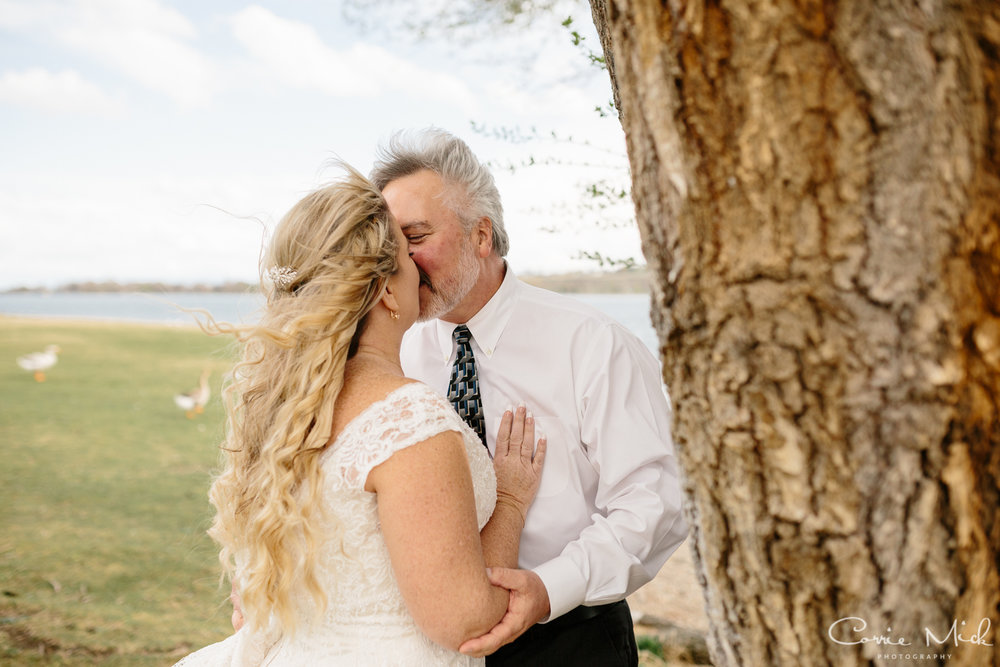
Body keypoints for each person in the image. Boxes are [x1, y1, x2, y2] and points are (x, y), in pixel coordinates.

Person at [175, 165, 546, 666]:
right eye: (405, 250)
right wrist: (510, 501)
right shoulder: (408, 420)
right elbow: (465, 622)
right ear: (388, 292)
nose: (418, 262)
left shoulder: (287, 409)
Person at [370, 128, 689, 666]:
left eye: (415, 236)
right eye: (391, 245)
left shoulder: (591, 342)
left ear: (481, 234)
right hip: (428, 640)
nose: (399, 260)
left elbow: (655, 503)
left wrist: (548, 588)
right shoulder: (393, 350)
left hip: (568, 640)